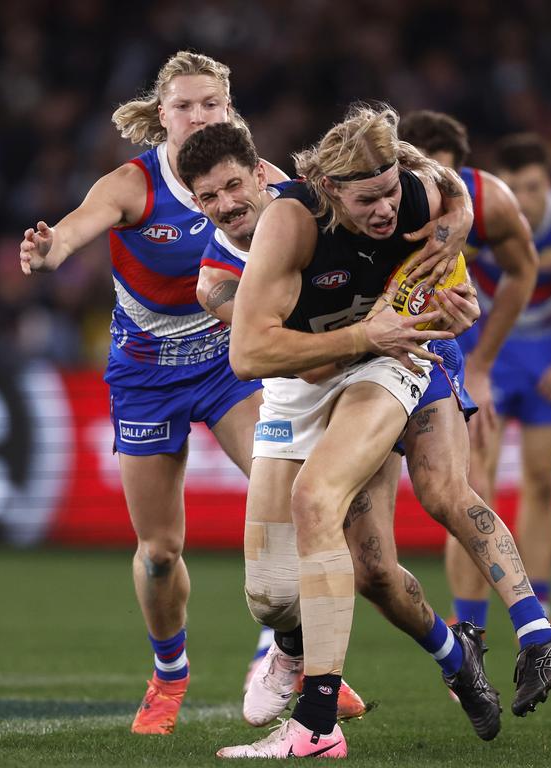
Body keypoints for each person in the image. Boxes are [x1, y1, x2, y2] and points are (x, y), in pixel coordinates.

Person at [18, 51, 278, 735]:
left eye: (210, 105)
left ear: (228, 109)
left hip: (228, 365)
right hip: (145, 374)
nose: (198, 117)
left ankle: (284, 656)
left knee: (289, 498)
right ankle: (169, 674)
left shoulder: (259, 180)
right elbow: (75, 228)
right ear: (161, 116)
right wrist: (49, 249)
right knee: (160, 552)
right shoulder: (132, 185)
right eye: (184, 106)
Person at [213, 103, 483, 759]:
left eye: (391, 191)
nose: (387, 209)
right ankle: (440, 655)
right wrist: (366, 331)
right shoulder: (286, 223)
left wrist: (457, 251)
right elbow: (247, 356)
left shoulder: (417, 189)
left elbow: (463, 197)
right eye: (368, 200)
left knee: (317, 500)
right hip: (302, 373)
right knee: (276, 595)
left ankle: (317, 724)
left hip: (385, 367)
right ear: (330, 191)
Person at [178, 121, 368, 722]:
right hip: (293, 390)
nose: (226, 205)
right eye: (209, 198)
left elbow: (417, 179)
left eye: (234, 186)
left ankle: (480, 644)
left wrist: (457, 219)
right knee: (268, 592)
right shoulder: (213, 280)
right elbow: (281, 360)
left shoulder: (314, 199)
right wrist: (348, 337)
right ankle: (289, 646)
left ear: (263, 174)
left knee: (379, 559)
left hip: (372, 375)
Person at [397, 110, 551, 713]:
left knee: (510, 486)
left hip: (494, 352)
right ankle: (478, 628)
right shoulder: (382, 199)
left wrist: (488, 364)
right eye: (426, 178)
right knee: (467, 489)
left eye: (448, 178)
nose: (442, 196)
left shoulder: (506, 204)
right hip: (433, 348)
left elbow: (537, 272)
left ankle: (530, 618)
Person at [431, 127, 551, 627]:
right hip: (486, 355)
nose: (522, 199)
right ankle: (471, 622)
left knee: (540, 483)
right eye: (514, 187)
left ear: (548, 184)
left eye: (532, 187)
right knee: (473, 488)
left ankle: (540, 609)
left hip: (548, 361)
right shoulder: (471, 213)